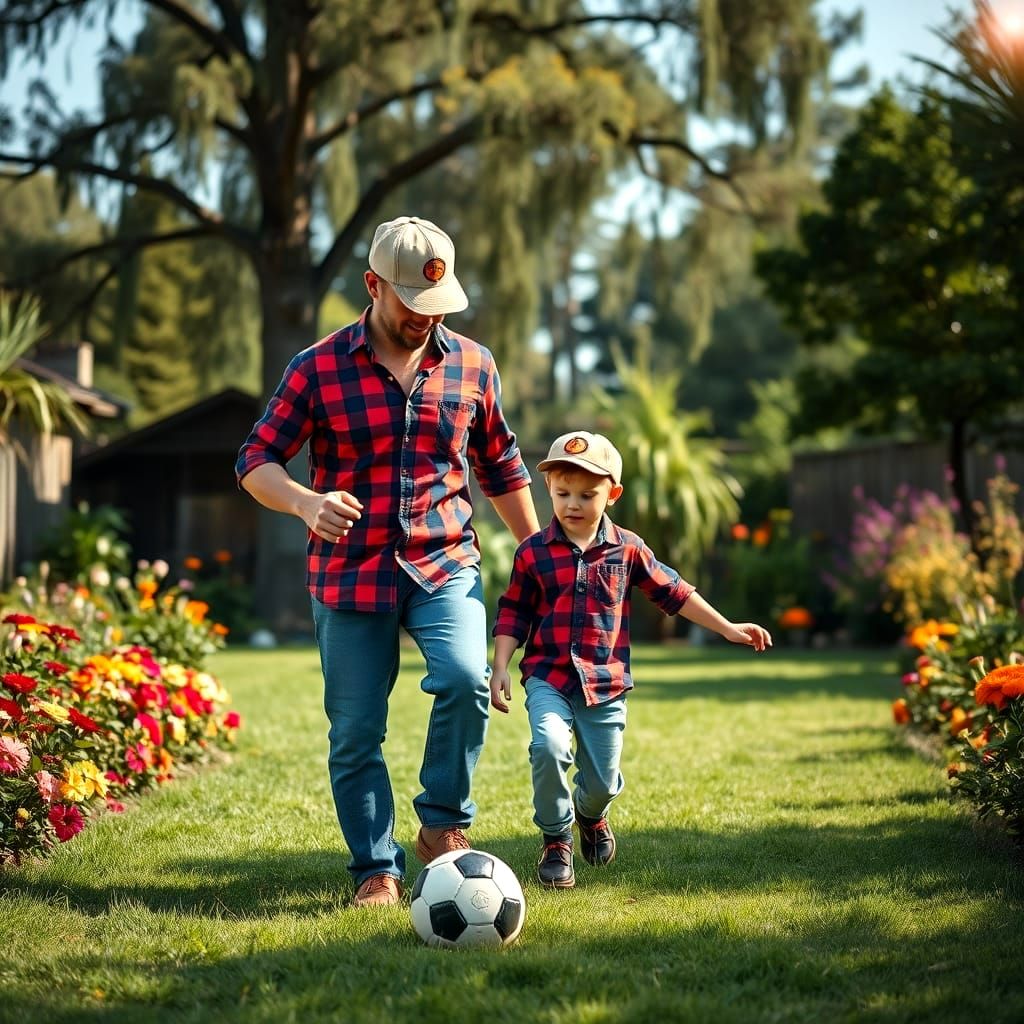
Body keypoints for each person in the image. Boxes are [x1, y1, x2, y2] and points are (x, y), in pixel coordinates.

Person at [236, 216, 539, 907]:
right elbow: (255, 460)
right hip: (349, 573)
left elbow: (501, 466)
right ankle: (376, 868)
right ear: (372, 286)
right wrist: (306, 503)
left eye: (438, 305)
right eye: (410, 303)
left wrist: (538, 559)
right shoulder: (317, 367)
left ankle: (441, 826)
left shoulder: (472, 364)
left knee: (465, 681)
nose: (425, 318)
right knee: (355, 731)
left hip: (444, 562)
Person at [490, 430, 772, 888]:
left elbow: (675, 593)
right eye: (562, 493)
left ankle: (591, 814)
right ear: (549, 490)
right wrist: (501, 665)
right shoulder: (533, 553)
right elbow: (514, 612)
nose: (573, 504)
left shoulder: (628, 549)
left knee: (601, 781)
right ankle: (556, 840)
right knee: (548, 746)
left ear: (613, 494)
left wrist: (727, 628)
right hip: (548, 677)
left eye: (587, 494)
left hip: (605, 683)